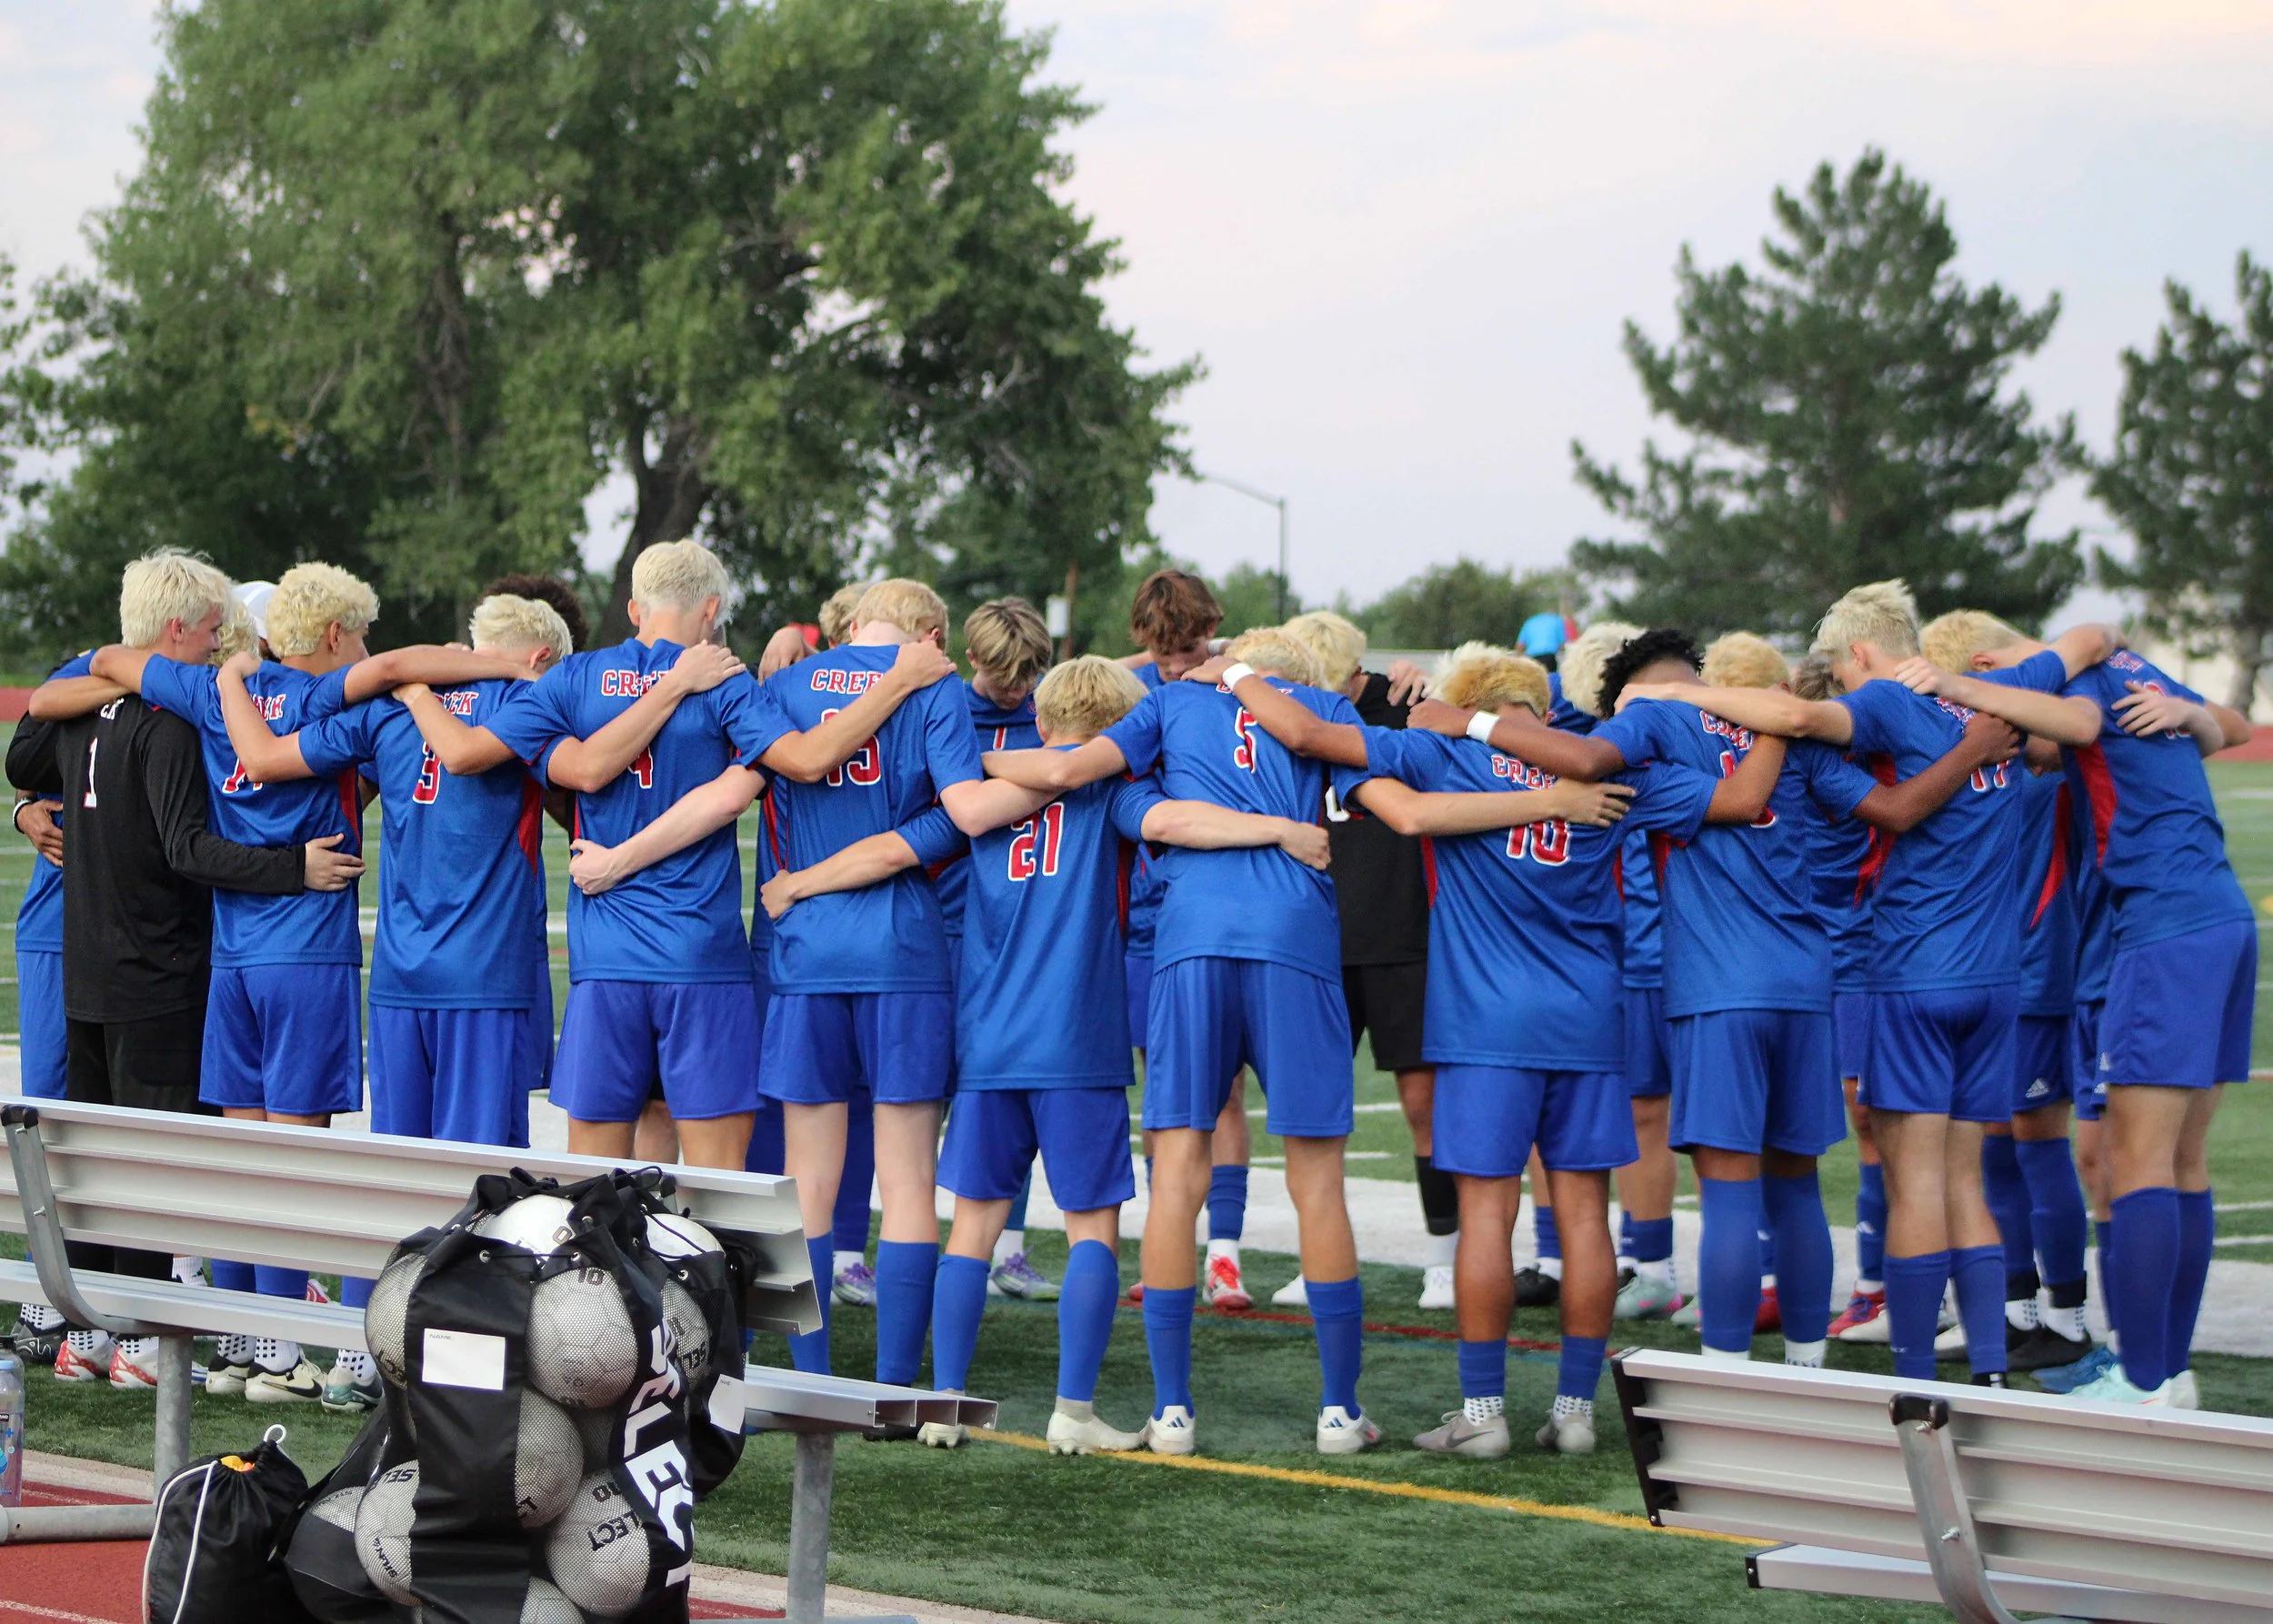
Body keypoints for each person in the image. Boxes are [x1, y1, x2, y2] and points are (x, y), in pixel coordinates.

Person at [763, 657, 1335, 1452]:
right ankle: (1073, 1412)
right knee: (1091, 1229)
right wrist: (1278, 829)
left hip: (989, 1038)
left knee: (972, 1228)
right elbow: (1175, 824)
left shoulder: (979, 796)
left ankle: (945, 1405)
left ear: (1042, 715)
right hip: (1079, 1041)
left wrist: (798, 883)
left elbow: (896, 848)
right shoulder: (1116, 791)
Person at [32, 561, 524, 1402]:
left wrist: (213, 677)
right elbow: (396, 669)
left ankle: (240, 1342)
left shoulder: (203, 690)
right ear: (334, 636)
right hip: (306, 948)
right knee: (294, 1163)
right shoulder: (324, 699)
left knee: (241, 1158)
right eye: (358, 635)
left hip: (233, 957)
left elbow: (104, 664)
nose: (364, 648)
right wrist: (502, 665)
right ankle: (279, 1351)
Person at [1194, 641, 1687, 1455]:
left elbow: (1315, 738)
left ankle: (1483, 1416)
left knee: (1488, 1214)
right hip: (1588, 1015)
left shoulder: (1443, 752)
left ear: (1464, 704)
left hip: (1484, 1022)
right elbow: (1740, 801)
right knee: (1584, 1215)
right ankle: (1575, 1411)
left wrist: (1238, 673)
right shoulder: (1600, 770)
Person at [1620, 582, 2108, 1385]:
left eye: (1846, 674)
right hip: (1997, 978)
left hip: (1909, 974)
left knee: (1910, 1184)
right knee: (1963, 1182)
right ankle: (1987, 1366)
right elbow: (2090, 648)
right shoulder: (1998, 697)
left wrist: (1678, 695)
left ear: (1859, 653)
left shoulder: (1881, 702)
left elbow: (1812, 731)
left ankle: (1912, 1375)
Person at [403, 542, 946, 1176]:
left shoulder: (575, 677)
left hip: (604, 958)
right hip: (700, 955)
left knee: (594, 1188)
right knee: (715, 1186)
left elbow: (478, 755)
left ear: (635, 609)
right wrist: (899, 679)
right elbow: (803, 761)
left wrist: (415, 689)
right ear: (711, 610)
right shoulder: (725, 681)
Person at [5, 550, 363, 1389]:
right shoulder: (169, 723)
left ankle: (88, 1334)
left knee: (96, 1158)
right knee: (156, 1165)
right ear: (174, 631)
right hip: (158, 968)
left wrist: (26, 806)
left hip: (90, 966)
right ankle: (139, 1341)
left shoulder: (83, 711)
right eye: (207, 630)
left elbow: (27, 753)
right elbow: (187, 849)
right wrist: (292, 867)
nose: (216, 642)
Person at [1902, 624, 2251, 1407]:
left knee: (2139, 1163)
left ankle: (2145, 1381)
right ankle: (2171, 1374)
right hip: (2218, 916)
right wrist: (2194, 718)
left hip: (2164, 928)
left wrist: (1953, 686)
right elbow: (2220, 725)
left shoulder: (2074, 683)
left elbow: (2081, 723)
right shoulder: (2126, 665)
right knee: (2181, 1162)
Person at [756, 577, 993, 1388]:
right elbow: (959, 815)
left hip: (808, 949)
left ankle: (812, 1379)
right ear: (933, 636)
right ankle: (894, 1381)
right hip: (902, 946)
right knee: (908, 1179)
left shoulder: (787, 684)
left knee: (808, 1181)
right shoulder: (936, 685)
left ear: (853, 624)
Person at [1919, 611, 2097, 1376]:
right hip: (1991, 970)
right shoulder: (1988, 747)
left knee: (2037, 1138)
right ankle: (2016, 1308)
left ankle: (2067, 1315)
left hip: (2037, 968)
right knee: (1992, 1140)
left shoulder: (2037, 750)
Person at [1282, 610, 1453, 1310]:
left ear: (1357, 670)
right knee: (1314, 1113)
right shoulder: (1283, 710)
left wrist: (1432, 681)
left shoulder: (1409, 702)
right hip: (1316, 940)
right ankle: (1316, 1257)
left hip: (1403, 936)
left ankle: (1444, 1259)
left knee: (1425, 1105)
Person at [1119, 568, 1255, 1309]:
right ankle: (1166, 1242)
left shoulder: (1247, 679)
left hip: (1225, 905)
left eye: (1187, 651)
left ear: (1211, 629)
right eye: (1159, 654)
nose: (1174, 667)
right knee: (1166, 1090)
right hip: (1150, 915)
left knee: (1226, 1088)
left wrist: (1226, 662)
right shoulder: (1139, 684)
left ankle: (1225, 1255)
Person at [930, 598, 1058, 1302]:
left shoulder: (1051, 707)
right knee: (923, 1094)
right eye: (1007, 676)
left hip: (1023, 930)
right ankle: (897, 1241)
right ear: (972, 658)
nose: (1018, 689)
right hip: (943, 922)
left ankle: (1010, 1248)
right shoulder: (942, 704)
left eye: (1030, 675)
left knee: (1015, 1086)